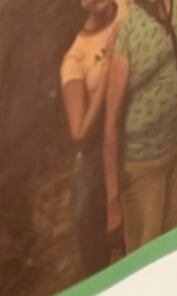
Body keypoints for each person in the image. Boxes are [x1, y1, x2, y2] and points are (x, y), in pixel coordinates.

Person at [106, 0, 177, 249]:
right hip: (145, 159)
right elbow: (111, 122)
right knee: (148, 250)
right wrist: (113, 199)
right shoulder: (126, 29)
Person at [62, 0, 125, 276]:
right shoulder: (75, 59)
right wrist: (108, 74)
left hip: (138, 138)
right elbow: (79, 132)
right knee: (101, 254)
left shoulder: (127, 8)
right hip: (96, 160)